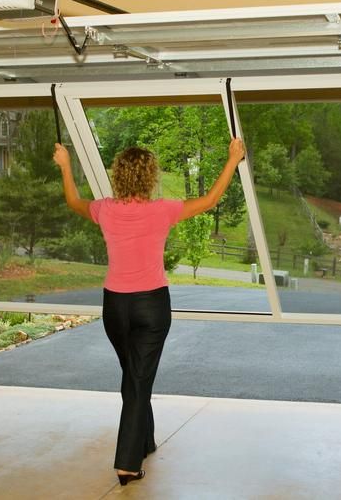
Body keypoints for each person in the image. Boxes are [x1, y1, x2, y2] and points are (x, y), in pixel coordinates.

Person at [53, 137, 245, 486]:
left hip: (115, 307)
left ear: (119, 177)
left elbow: (71, 200)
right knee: (139, 379)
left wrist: (66, 165)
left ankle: (145, 439)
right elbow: (211, 199)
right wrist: (233, 159)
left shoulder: (104, 210)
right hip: (151, 307)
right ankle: (127, 463)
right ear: (150, 177)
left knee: (134, 374)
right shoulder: (163, 210)